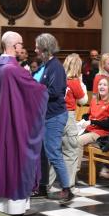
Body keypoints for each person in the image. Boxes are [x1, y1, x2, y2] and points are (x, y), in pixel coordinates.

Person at [0, 31, 48, 215]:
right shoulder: (13, 70)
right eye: (21, 44)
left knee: (0, 161)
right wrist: (46, 89)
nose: (22, 48)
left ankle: (1, 204)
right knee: (15, 161)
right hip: (12, 126)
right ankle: (15, 207)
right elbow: (35, 93)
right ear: (14, 46)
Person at [32, 34, 74, 205]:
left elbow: (55, 91)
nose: (35, 50)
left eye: (37, 47)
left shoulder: (55, 67)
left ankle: (67, 189)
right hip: (47, 115)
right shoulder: (46, 66)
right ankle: (42, 187)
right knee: (43, 153)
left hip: (55, 116)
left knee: (53, 153)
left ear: (44, 49)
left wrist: (36, 94)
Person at [48, 54, 88, 189]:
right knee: (70, 152)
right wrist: (81, 82)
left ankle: (46, 185)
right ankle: (68, 186)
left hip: (53, 116)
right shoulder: (74, 81)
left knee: (55, 152)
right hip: (68, 116)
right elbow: (83, 101)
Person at [77, 76, 109, 178]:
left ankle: (74, 172)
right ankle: (68, 169)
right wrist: (85, 119)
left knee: (77, 141)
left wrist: (93, 122)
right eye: (100, 84)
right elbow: (87, 115)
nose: (101, 86)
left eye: (104, 85)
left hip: (102, 133)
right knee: (69, 139)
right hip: (90, 130)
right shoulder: (94, 101)